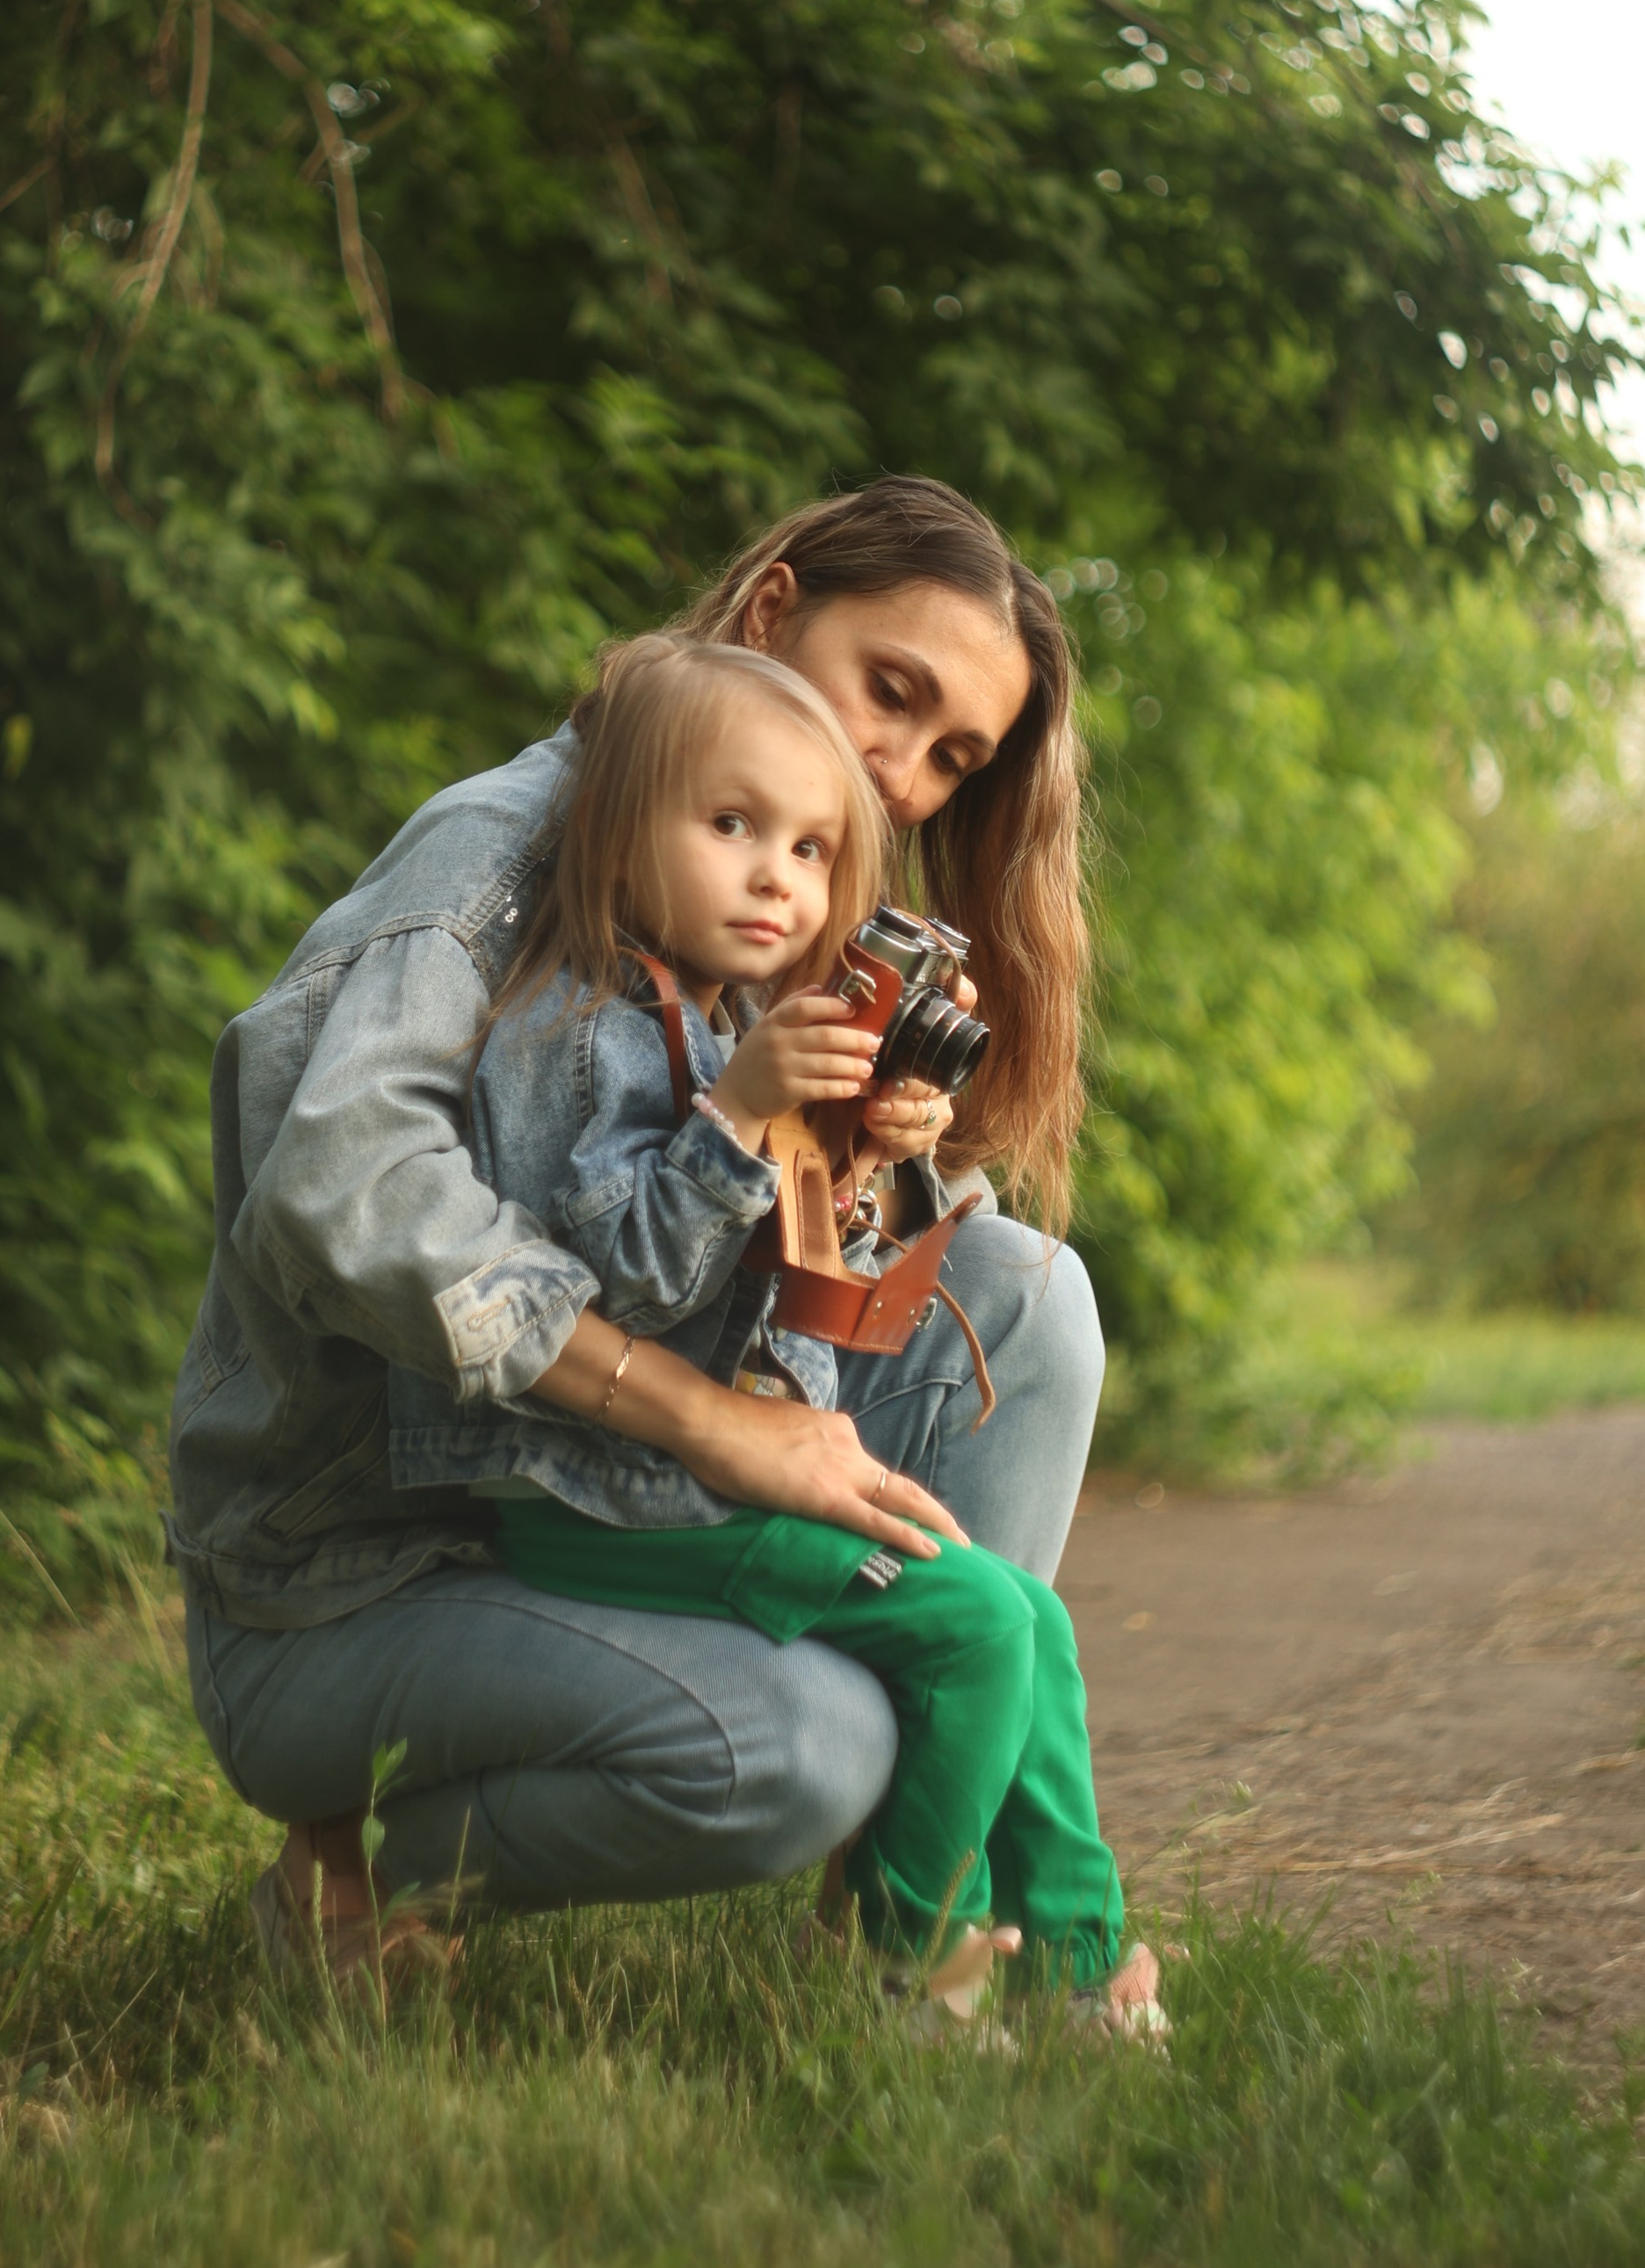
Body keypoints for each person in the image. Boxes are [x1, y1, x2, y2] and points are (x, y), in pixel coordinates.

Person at [170, 474, 1158, 2028]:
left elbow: (734, 1239)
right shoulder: (502, 858)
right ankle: (361, 1866)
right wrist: (712, 1424)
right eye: (889, 697)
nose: (902, 776)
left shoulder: (761, 899)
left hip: (579, 1485)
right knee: (811, 1747)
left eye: (949, 759)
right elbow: (343, 1192)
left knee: (1027, 1298)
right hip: (372, 1565)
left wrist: (859, 1166)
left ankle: (917, 1871)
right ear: (772, 612)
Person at [458, 632, 1140, 2033]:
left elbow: (820, 1287)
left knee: (1033, 1620)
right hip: (598, 1492)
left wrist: (872, 1152)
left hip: (720, 1475)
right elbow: (611, 1287)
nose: (779, 875)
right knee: (967, 1632)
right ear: (616, 836)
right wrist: (738, 1119)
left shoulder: (723, 1023)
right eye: (731, 827)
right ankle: (920, 1977)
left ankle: (1078, 1968)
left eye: (817, 853)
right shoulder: (573, 1029)